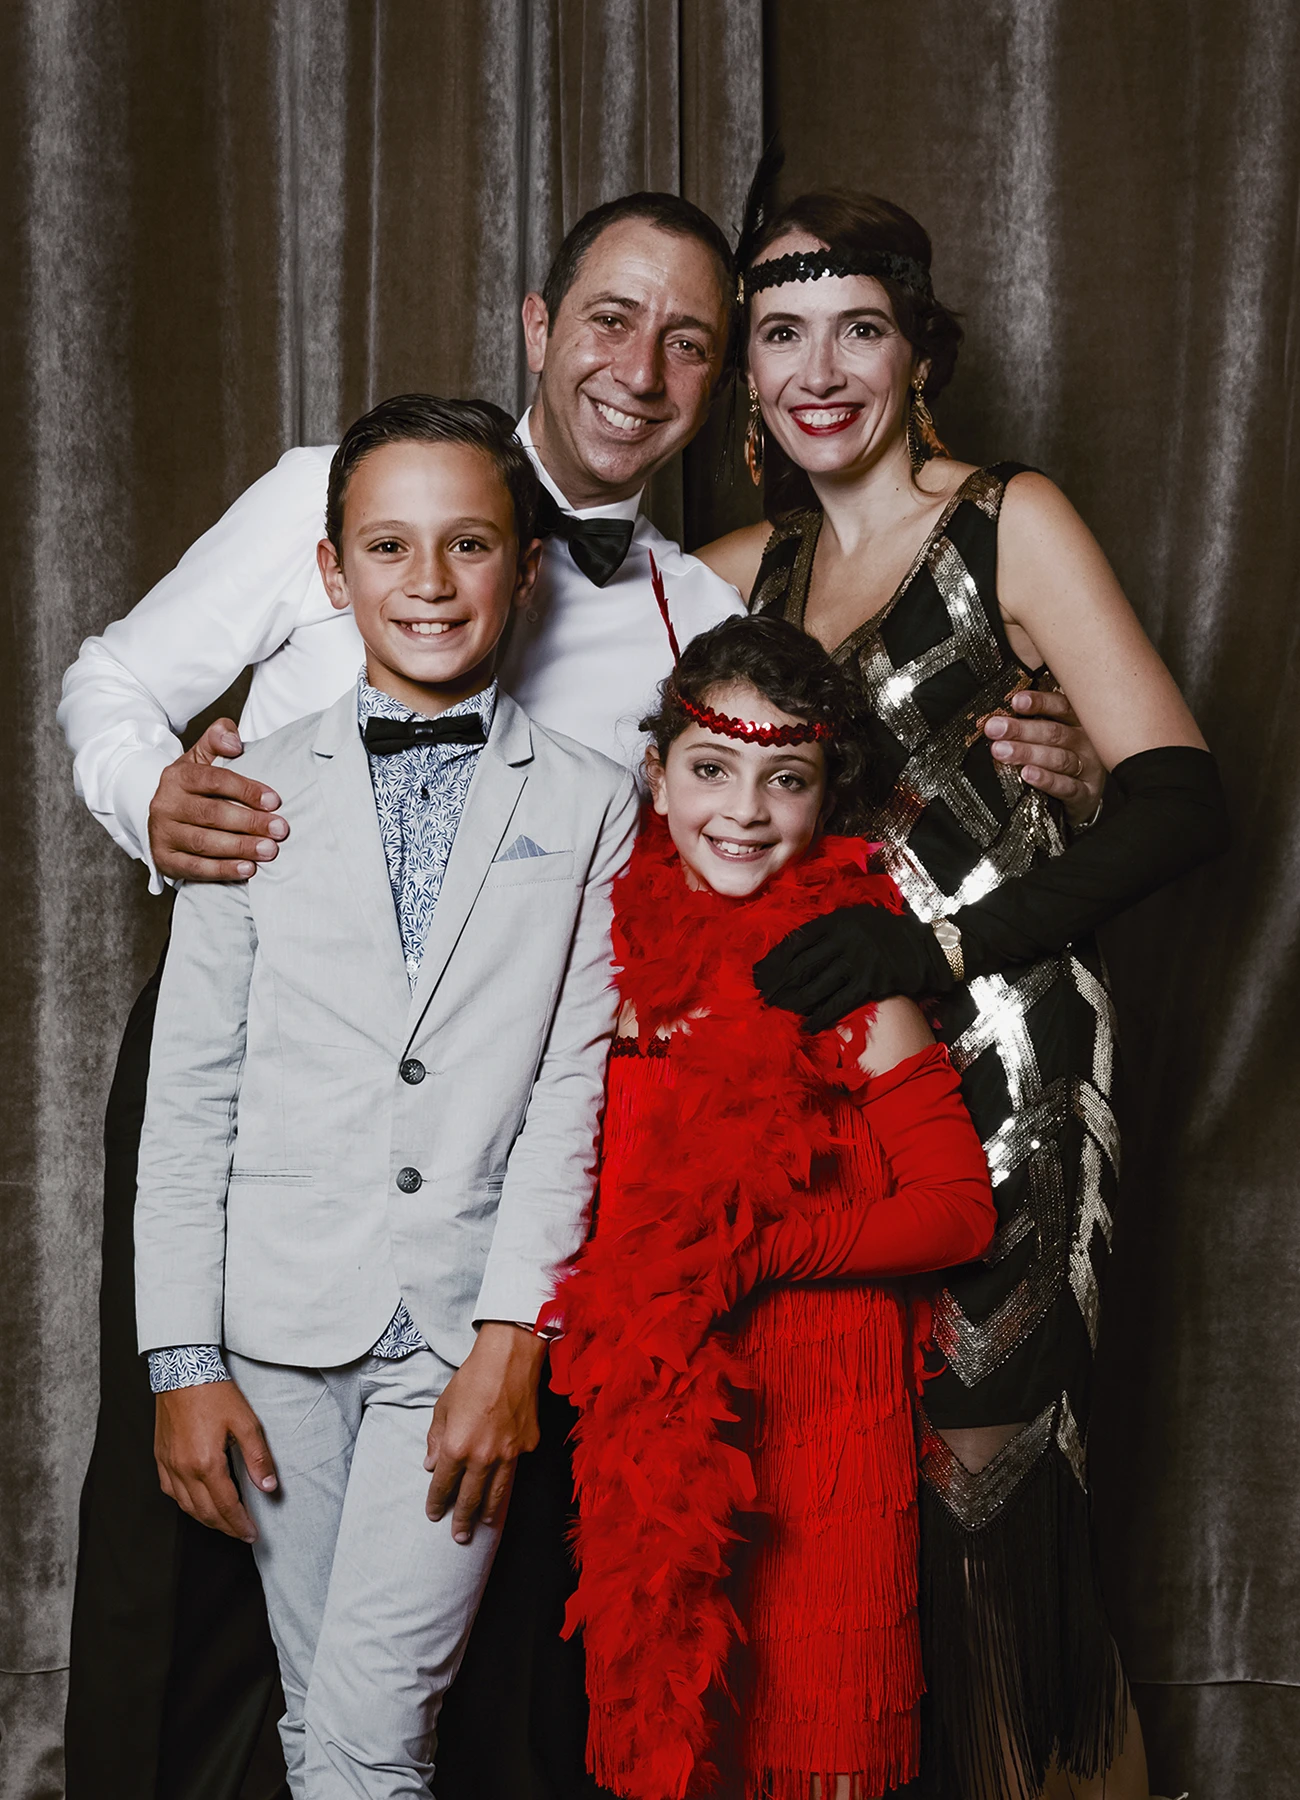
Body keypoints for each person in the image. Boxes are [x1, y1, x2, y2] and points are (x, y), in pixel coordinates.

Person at [58, 187, 1102, 1800]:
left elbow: (798, 770)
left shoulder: (701, 597)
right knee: (180, 1569)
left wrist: (1051, 744)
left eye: (693, 340)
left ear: (719, 390)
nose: (643, 365)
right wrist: (156, 804)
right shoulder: (324, 498)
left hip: (498, 1154)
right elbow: (112, 680)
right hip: (254, 1094)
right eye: (612, 317)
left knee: (464, 1619)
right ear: (542, 328)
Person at [698, 189, 1227, 1800]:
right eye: (782, 333)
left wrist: (943, 952)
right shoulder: (728, 572)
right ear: (748, 376)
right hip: (824, 1097)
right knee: (852, 1517)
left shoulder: (1010, 518)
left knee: (1002, 1513)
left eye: (860, 328)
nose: (820, 369)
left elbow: (1184, 799)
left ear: (919, 352)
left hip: (1004, 1062)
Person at [133, 392, 638, 1797]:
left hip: (458, 1334)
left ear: (524, 567)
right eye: (390, 548)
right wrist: (183, 1361)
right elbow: (193, 1100)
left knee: (366, 1733)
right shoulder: (246, 794)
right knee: (323, 1720)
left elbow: (568, 1090)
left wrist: (512, 1336)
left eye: (469, 544)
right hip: (275, 1326)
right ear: (332, 572)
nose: (429, 584)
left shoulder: (597, 802)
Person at [547, 613, 996, 1800]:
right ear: (655, 774)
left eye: (783, 779)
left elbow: (956, 1213)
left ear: (824, 795)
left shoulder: (844, 980)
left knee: (811, 1744)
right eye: (709, 770)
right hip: (653, 1421)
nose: (742, 811)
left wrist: (768, 1249)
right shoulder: (601, 958)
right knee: (670, 1731)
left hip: (819, 1428)